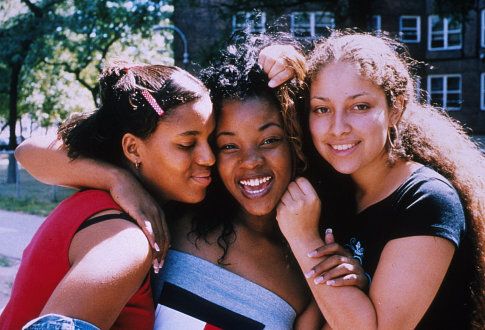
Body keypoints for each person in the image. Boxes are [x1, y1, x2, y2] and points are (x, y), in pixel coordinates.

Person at [12, 36, 368, 329]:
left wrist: (325, 263)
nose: (250, 161)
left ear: (296, 141)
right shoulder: (171, 216)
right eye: (227, 145)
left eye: (270, 139)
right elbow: (30, 150)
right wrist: (118, 178)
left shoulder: (309, 265)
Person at [275, 31, 485, 329]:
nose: (338, 128)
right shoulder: (335, 193)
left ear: (395, 109)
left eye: (359, 106)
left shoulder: (427, 199)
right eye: (322, 109)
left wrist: (303, 239)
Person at [0, 62, 216, 329]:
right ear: (133, 148)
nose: (210, 157)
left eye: (212, 139)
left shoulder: (97, 198)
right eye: (187, 144)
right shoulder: (126, 241)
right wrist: (118, 179)